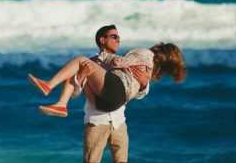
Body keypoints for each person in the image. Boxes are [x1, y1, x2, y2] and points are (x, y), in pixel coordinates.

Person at [29, 25, 149, 163]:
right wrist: (81, 77)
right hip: (96, 120)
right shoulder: (91, 63)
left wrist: (144, 83)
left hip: (119, 121)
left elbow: (139, 93)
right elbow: (76, 92)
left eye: (119, 37)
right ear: (102, 40)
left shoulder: (123, 63)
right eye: (114, 36)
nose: (118, 40)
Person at [29, 42, 186, 116]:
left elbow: (118, 62)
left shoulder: (146, 53)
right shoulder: (151, 71)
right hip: (112, 104)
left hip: (114, 89)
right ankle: (61, 105)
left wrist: (99, 56)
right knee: (81, 70)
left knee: (80, 60)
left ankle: (49, 86)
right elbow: (139, 92)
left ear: (158, 48)